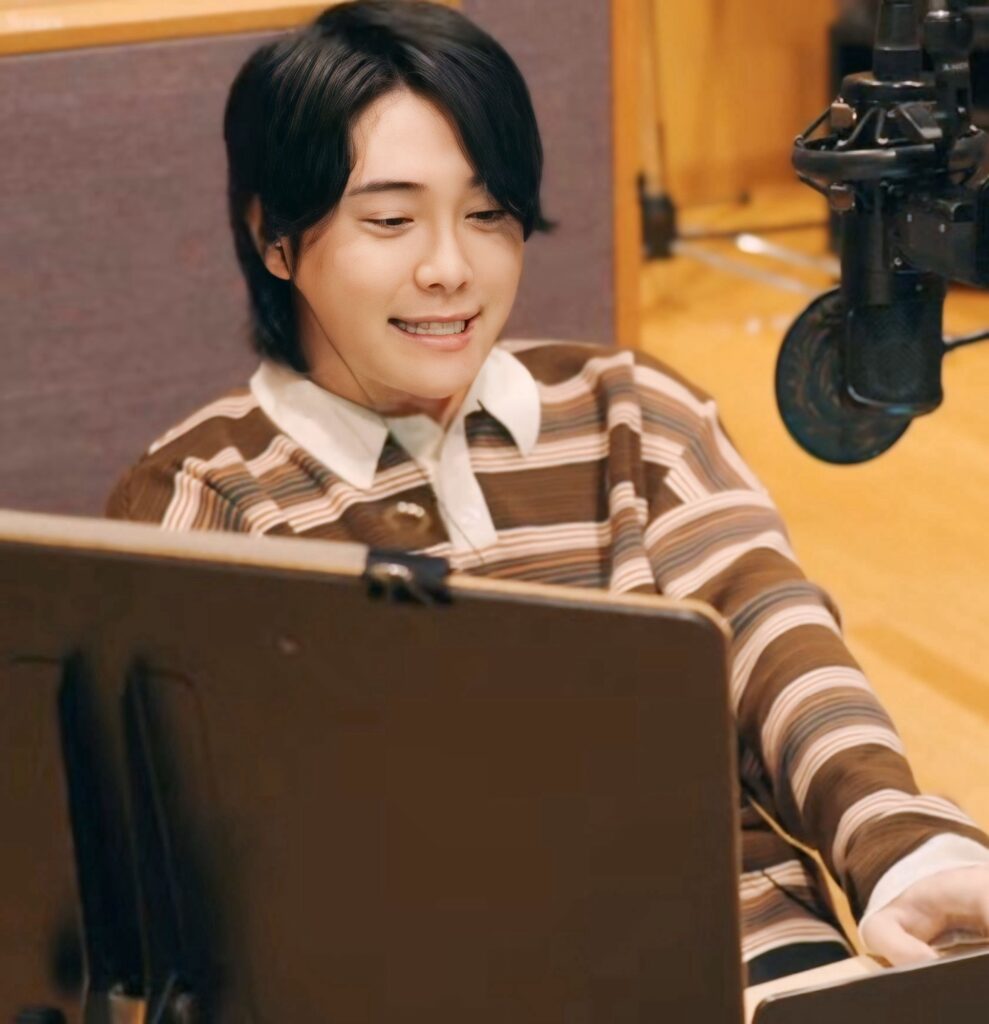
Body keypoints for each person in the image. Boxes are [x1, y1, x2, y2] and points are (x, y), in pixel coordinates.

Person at [106, 0, 989, 985]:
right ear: (275, 237)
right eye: (390, 220)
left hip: (741, 959)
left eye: (487, 215)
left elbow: (778, 649)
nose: (450, 269)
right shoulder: (206, 497)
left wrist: (909, 849)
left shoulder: (631, 409)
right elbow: (231, 874)